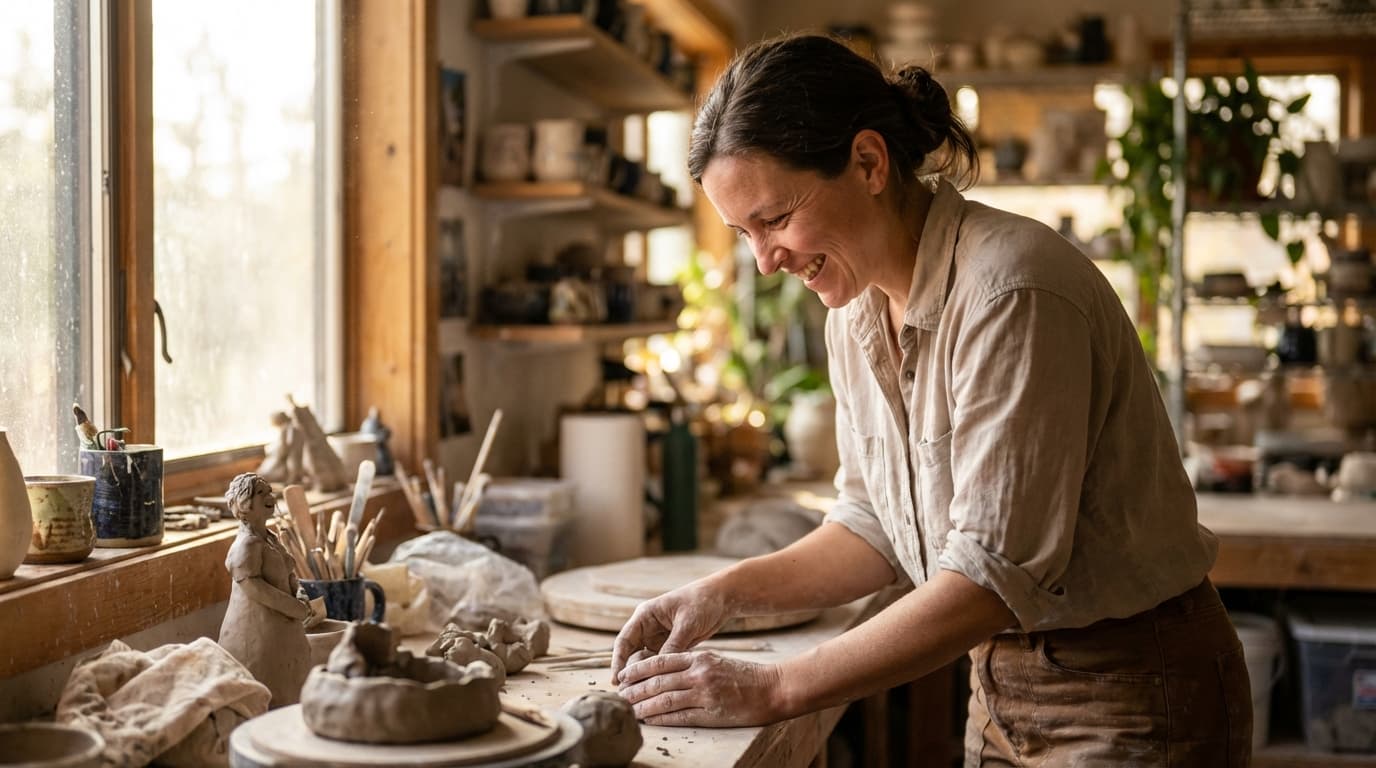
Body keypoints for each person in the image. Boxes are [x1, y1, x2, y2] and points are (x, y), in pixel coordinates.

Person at [611, 34, 1252, 766]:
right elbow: (871, 529)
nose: (766, 260)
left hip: (1132, 690)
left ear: (869, 162)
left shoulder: (1011, 291)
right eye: (743, 233)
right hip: (997, 687)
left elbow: (991, 580)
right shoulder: (853, 313)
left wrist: (776, 689)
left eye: (777, 219)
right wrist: (719, 595)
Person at [217, 472, 312, 708]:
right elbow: (254, 587)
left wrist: (299, 593)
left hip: (284, 631)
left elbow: (289, 573)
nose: (270, 496)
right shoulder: (246, 544)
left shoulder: (270, 537)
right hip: (257, 636)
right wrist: (293, 608)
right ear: (244, 504)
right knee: (266, 697)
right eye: (261, 493)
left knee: (289, 691)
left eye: (269, 491)